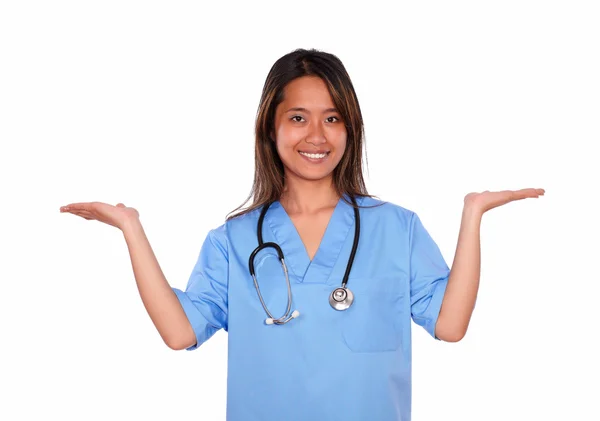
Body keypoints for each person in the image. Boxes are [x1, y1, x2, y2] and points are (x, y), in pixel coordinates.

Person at [60, 48, 544, 421]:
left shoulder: (397, 227)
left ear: (350, 130)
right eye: (298, 118)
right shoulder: (234, 239)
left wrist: (472, 215)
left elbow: (450, 325)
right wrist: (131, 228)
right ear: (270, 129)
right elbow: (180, 331)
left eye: (332, 118)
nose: (317, 135)